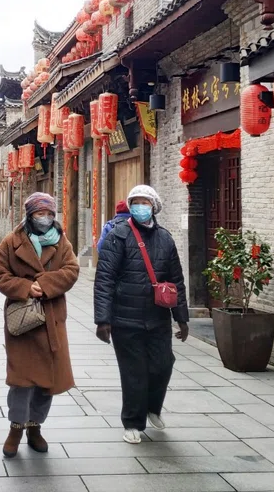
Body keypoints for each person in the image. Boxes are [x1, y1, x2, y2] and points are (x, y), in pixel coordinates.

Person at [93, 184, 189, 444]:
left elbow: (176, 280)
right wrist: (103, 319)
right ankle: (133, 422)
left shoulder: (165, 238)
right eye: (135, 202)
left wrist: (182, 317)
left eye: (144, 203)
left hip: (157, 318)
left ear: (154, 207)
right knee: (134, 372)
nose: (140, 207)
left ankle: (152, 408)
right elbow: (104, 279)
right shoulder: (119, 235)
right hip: (125, 318)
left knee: (163, 365)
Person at [0, 192, 79, 459]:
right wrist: (26, 287)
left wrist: (46, 285)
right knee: (22, 380)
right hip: (24, 319)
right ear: (30, 215)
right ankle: (15, 428)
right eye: (40, 214)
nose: (46, 219)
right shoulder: (11, 242)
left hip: (51, 318)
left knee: (46, 380)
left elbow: (72, 269)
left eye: (50, 214)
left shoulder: (61, 240)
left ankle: (35, 427)